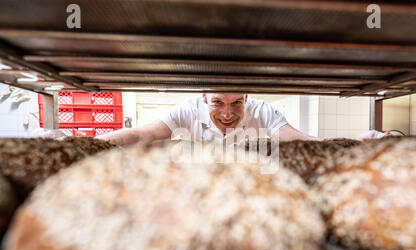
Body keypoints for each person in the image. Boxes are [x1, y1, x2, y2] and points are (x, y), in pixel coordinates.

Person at [95, 93, 388, 146]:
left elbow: (302, 140)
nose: (227, 113)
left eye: (237, 103)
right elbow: (143, 134)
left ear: (247, 97)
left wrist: (354, 143)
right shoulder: (185, 110)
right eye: (217, 103)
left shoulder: (262, 111)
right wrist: (88, 144)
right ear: (203, 97)